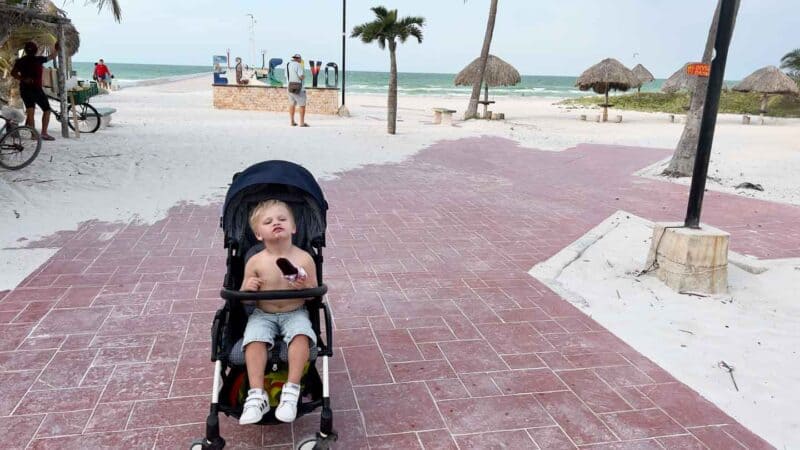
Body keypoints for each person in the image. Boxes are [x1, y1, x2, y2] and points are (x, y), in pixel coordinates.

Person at [238, 199, 317, 425]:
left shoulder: (304, 258)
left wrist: (305, 287)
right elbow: (243, 296)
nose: (276, 223)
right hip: (263, 313)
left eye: (282, 219)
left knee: (301, 336)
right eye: (268, 221)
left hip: (295, 311)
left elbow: (314, 293)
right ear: (258, 234)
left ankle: (291, 391)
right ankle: (256, 394)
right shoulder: (255, 261)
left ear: (293, 227)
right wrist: (247, 288)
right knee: (253, 341)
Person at [10, 41, 58, 141]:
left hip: (24, 89)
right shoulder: (38, 60)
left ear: (25, 50)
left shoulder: (20, 61)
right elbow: (52, 56)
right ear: (36, 50)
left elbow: (13, 73)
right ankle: (44, 133)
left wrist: (23, 78)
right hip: (36, 89)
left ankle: (33, 135)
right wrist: (57, 49)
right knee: (47, 110)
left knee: (30, 111)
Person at [286, 54, 308, 127]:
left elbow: (286, 76)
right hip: (299, 88)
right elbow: (301, 76)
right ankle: (301, 123)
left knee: (292, 104)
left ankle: (292, 121)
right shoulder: (298, 65)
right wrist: (304, 76)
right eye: (300, 59)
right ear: (298, 59)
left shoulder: (287, 65)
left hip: (289, 87)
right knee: (302, 105)